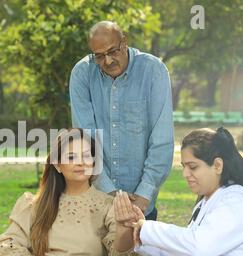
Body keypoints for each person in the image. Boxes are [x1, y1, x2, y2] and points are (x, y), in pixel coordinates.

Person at [115, 127, 243, 256]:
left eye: (193, 167)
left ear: (218, 165)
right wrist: (141, 236)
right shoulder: (207, 203)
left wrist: (148, 229)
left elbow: (201, 248)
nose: (185, 174)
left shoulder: (238, 200)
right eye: (183, 167)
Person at [0, 128, 142, 256]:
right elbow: (2, 248)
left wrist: (123, 227)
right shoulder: (35, 205)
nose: (81, 163)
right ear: (57, 165)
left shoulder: (107, 206)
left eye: (86, 156)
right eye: (71, 157)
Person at [69, 20, 174, 221]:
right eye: (99, 56)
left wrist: (144, 194)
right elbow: (86, 142)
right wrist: (109, 194)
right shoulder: (82, 73)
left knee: (138, 253)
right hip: (97, 201)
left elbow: (162, 140)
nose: (107, 61)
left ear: (124, 42)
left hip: (142, 205)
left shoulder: (154, 71)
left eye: (113, 51)